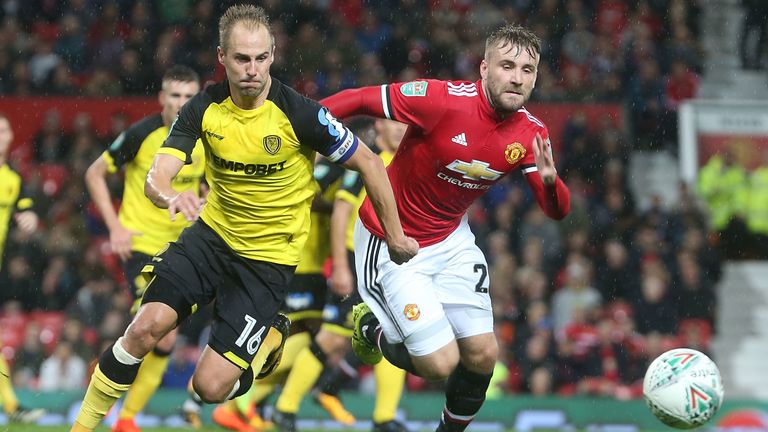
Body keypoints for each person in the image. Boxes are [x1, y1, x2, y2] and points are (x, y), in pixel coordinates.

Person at [69, 5, 417, 432]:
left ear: (272, 55)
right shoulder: (202, 108)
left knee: (209, 388)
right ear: (222, 57)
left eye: (259, 58)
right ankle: (82, 427)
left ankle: (268, 340)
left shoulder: (300, 113)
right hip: (211, 239)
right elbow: (157, 176)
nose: (251, 69)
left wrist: (396, 237)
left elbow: (370, 163)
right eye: (240, 58)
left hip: (266, 262)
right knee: (145, 328)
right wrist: (171, 195)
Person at [322, 24, 570, 431]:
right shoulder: (440, 99)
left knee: (483, 354)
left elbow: (557, 211)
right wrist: (301, 121)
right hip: (391, 240)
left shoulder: (531, 133)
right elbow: (360, 99)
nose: (517, 77)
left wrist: (549, 181)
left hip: (452, 240)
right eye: (507, 66)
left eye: (528, 69)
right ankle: (369, 326)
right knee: (439, 364)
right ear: (484, 67)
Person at [84, 65, 203, 432]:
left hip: (184, 247)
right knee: (158, 331)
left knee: (166, 341)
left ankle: (125, 415)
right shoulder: (142, 133)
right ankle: (108, 407)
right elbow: (94, 173)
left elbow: (208, 185)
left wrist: (205, 203)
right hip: (143, 248)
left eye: (188, 97)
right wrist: (115, 225)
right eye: (174, 96)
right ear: (161, 99)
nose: (181, 104)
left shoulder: (206, 136)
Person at [271, 119, 409, 432]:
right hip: (358, 260)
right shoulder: (367, 162)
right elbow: (341, 212)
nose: (400, 129)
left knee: (394, 335)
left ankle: (384, 418)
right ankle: (285, 406)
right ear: (379, 127)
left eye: (405, 123)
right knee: (332, 337)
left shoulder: (410, 163)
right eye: (393, 123)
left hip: (391, 264)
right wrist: (343, 267)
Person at [0, 113, 45, 424]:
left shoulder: (14, 179)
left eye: (3, 129)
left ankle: (13, 405)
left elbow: (27, 210)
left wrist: (29, 219)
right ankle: (13, 405)